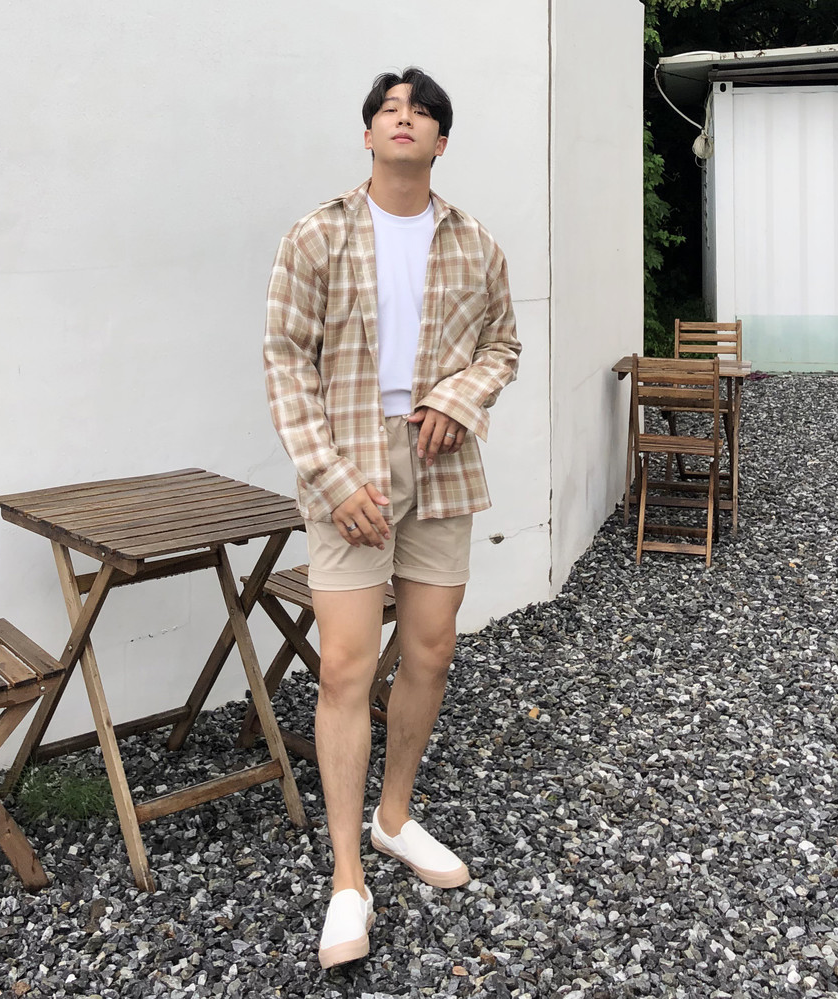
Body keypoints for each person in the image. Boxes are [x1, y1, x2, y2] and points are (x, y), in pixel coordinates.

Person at [263, 66, 521, 969]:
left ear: (441, 141)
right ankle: (347, 878)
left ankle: (395, 816)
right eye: (388, 109)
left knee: (431, 649)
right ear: (368, 135)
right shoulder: (318, 234)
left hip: (439, 458)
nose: (402, 119)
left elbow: (503, 344)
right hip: (349, 466)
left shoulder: (475, 241)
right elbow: (285, 362)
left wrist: (459, 396)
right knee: (343, 664)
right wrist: (330, 478)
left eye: (420, 112)